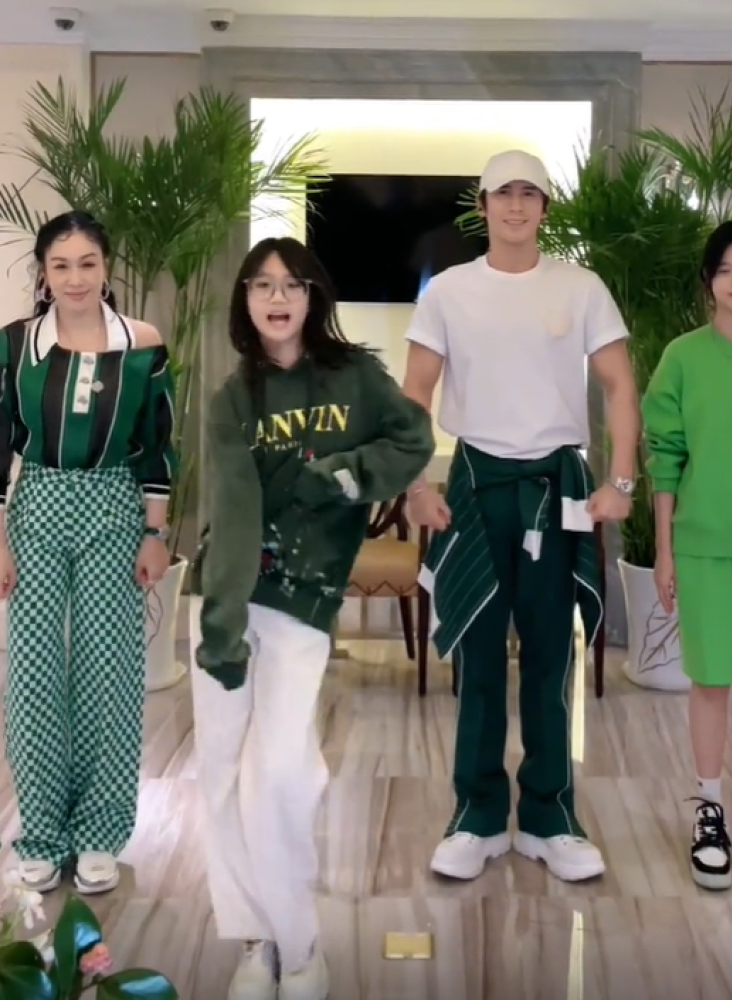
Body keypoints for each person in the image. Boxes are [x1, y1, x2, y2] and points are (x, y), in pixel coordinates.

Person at [191, 235, 435, 1000]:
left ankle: (299, 949)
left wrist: (345, 475)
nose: (277, 297)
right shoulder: (233, 399)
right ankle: (254, 938)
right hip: (226, 594)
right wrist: (221, 625)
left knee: (277, 774)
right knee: (220, 773)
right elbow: (233, 511)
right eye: (261, 284)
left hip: (302, 602)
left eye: (291, 284)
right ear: (244, 300)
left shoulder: (355, 376)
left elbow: (412, 439)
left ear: (312, 296)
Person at [402, 149, 640, 883]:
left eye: (527, 194)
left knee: (549, 653)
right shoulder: (449, 291)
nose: (514, 205)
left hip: (555, 481)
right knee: (478, 655)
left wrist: (620, 481)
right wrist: (414, 485)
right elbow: (415, 392)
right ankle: (476, 817)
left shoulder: (581, 286)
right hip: (475, 480)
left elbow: (619, 384)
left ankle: (548, 817)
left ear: (543, 207)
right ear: (482, 207)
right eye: (501, 193)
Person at [0, 211, 176, 895]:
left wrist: (155, 534)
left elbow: (156, 445)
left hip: (114, 508)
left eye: (88, 263)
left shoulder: (143, 343)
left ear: (106, 268)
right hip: (36, 507)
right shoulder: (15, 344)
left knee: (110, 671)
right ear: (44, 275)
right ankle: (42, 835)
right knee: (34, 673)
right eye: (61, 265)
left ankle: (100, 833)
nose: (75, 278)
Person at [642, 219, 732, 893]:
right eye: (725, 268)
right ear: (707, 280)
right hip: (702, 547)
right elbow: (665, 458)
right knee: (707, 682)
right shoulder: (682, 358)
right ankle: (708, 813)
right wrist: (664, 551)